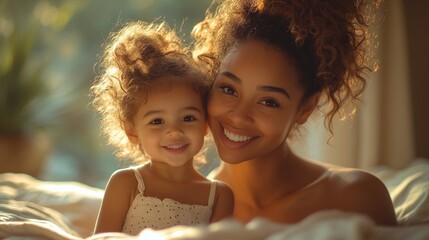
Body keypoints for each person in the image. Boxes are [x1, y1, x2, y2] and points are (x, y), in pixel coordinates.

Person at [191, 0, 397, 226]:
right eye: (229, 89)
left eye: (269, 102)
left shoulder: (356, 198)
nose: (239, 116)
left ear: (305, 108)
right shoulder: (189, 210)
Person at [91, 21, 234, 235]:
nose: (174, 131)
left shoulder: (220, 196)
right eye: (157, 121)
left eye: (187, 117)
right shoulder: (126, 184)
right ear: (132, 131)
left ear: (205, 123)